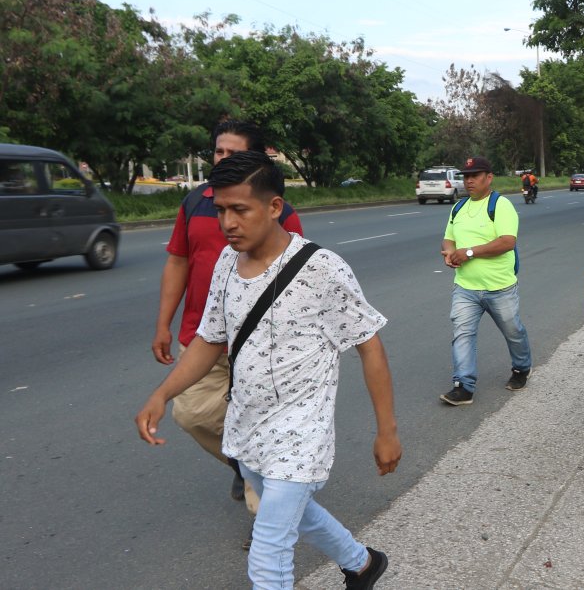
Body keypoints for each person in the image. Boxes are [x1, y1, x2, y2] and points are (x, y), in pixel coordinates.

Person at [135, 151, 400, 588]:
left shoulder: (322, 269)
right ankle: (363, 564)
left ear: (274, 207)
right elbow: (210, 341)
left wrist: (386, 431)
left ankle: (352, 565)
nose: (228, 223)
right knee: (302, 515)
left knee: (268, 553)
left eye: (240, 210)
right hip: (248, 426)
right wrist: (161, 394)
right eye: (220, 210)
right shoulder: (225, 264)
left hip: (301, 435)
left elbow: (369, 346)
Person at [151, 120, 303, 539]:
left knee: (257, 422)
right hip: (201, 336)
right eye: (218, 152)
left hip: (255, 343)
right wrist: (163, 323)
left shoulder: (281, 211)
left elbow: (289, 278)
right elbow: (178, 261)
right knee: (192, 413)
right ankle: (246, 462)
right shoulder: (195, 202)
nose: (222, 159)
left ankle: (268, 529)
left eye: (233, 154)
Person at [439, 156, 533, 405]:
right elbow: (449, 238)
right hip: (465, 287)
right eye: (466, 176)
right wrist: (449, 252)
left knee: (513, 332)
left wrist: (468, 252)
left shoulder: (500, 205)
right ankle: (463, 386)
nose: (469, 181)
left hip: (499, 287)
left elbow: (506, 242)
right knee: (463, 334)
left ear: (488, 178)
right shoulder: (458, 207)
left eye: (475, 175)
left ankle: (522, 368)